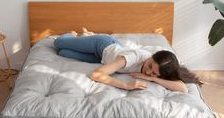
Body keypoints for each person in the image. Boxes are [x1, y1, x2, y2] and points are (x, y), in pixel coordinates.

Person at [54, 30, 201, 93]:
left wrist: (152, 78)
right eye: (150, 66)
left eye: (155, 73)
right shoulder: (134, 57)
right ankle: (74, 35)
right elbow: (96, 75)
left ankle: (86, 35)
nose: (148, 71)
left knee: (63, 53)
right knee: (59, 43)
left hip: (103, 58)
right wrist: (126, 85)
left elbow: (183, 88)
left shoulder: (160, 70)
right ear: (152, 56)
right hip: (102, 45)